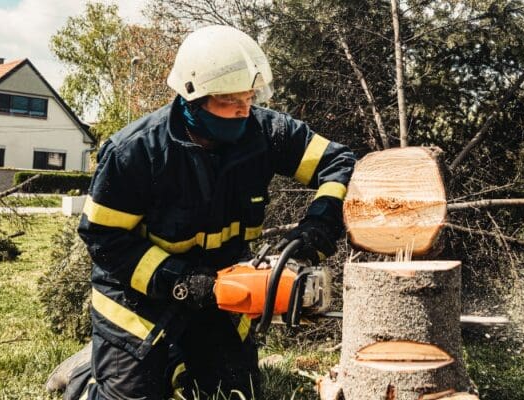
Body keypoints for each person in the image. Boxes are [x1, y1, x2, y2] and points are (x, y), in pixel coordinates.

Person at [76, 25, 356, 399]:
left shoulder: (266, 133)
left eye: (249, 98)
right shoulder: (136, 151)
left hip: (223, 293)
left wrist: (320, 223)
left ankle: (178, 363)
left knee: (232, 393)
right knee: (133, 394)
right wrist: (183, 283)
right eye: (229, 101)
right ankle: (87, 379)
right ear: (193, 98)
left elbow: (339, 162)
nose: (243, 109)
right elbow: (104, 239)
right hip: (137, 301)